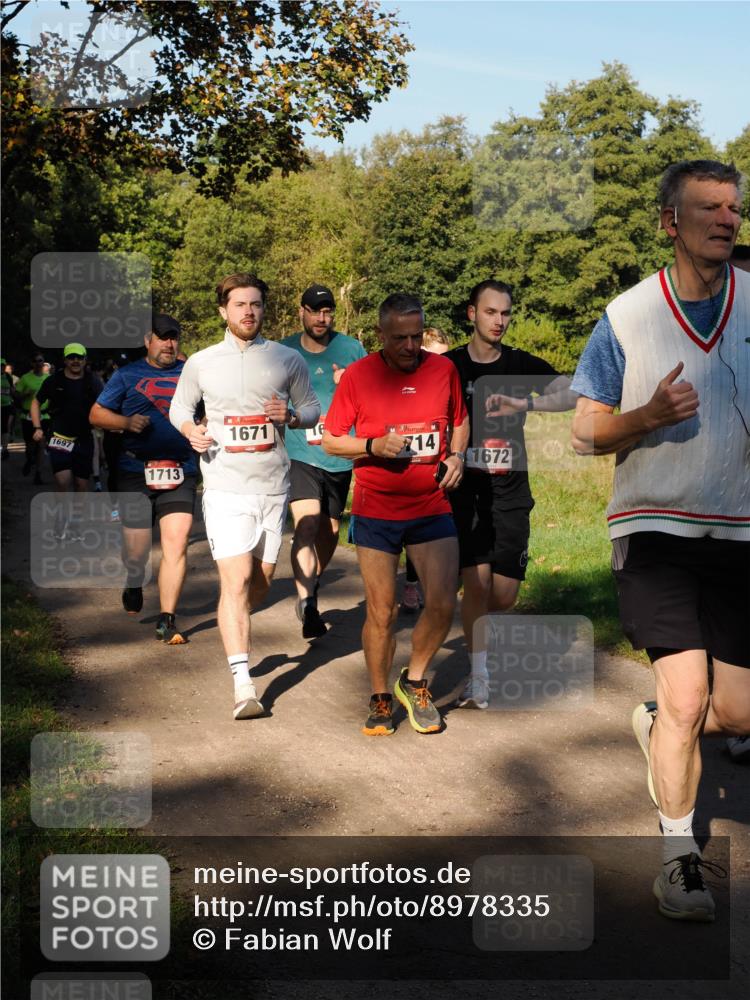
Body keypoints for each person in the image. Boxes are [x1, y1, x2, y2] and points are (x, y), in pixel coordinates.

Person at [571, 160, 749, 922]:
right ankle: (678, 864)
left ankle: (657, 720)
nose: (727, 218)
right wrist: (643, 415)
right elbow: (584, 432)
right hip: (654, 529)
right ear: (669, 222)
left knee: (735, 714)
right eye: (709, 207)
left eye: (735, 208)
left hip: (740, 532)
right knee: (685, 700)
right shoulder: (626, 315)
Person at [169, 273, 320, 719]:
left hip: (273, 488)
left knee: (260, 581)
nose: (248, 312)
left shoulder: (286, 359)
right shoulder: (201, 362)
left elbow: (312, 409)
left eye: (255, 304)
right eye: (240, 305)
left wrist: (291, 415)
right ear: (223, 311)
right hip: (224, 488)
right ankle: (243, 685)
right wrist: (190, 429)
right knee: (233, 583)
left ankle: (241, 628)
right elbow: (180, 407)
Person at [322, 293, 469, 736]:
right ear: (381, 335)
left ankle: (416, 680)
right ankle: (380, 696)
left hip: (430, 504)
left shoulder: (443, 369)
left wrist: (458, 456)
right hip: (376, 508)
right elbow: (331, 440)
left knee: (443, 602)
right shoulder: (360, 376)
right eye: (399, 338)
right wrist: (372, 446)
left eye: (416, 336)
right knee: (382, 612)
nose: (410, 346)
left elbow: (459, 419)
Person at [446, 280, 576, 709]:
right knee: (478, 584)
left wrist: (528, 406)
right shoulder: (449, 367)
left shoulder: (520, 365)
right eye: (490, 312)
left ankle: (476, 622)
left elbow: (573, 390)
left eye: (505, 313)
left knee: (503, 595)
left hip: (512, 492)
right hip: (467, 493)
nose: (499, 321)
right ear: (472, 314)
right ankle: (478, 677)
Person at [90, 315, 197, 644]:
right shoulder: (126, 375)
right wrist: (124, 422)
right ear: (147, 341)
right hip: (136, 471)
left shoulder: (192, 374)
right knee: (136, 550)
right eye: (162, 338)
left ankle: (167, 618)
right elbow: (96, 414)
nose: (169, 343)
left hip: (180, 470)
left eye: (174, 337)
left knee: (176, 543)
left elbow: (210, 410)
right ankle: (134, 578)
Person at [280, 284, 367, 638]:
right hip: (300, 452)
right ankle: (309, 604)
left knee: (330, 532)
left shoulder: (351, 349)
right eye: (315, 311)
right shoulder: (282, 351)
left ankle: (310, 584)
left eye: (327, 311)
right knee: (308, 524)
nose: (321, 317)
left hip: (339, 455)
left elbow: (372, 393)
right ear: (301, 311)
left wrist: (349, 384)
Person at [401, 326, 452, 611]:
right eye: (434, 356)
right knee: (410, 527)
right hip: (405, 466)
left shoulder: (448, 378)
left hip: (441, 463)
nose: (439, 363)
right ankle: (410, 584)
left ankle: (435, 582)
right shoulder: (405, 377)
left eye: (445, 358)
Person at [30, 344, 103, 517]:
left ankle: (75, 521)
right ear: (65, 360)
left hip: (84, 438)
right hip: (59, 436)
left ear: (85, 360)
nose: (75, 361)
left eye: (79, 357)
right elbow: (36, 402)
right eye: (71, 357)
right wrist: (37, 426)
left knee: (81, 484)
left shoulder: (93, 381)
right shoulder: (54, 380)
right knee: (62, 481)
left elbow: (105, 404)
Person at [16, 353, 50, 483]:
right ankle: (29, 460)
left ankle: (38, 473)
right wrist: (26, 394)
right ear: (32, 363)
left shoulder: (48, 378)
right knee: (30, 445)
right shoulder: (25, 378)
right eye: (35, 361)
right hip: (28, 416)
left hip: (44, 415)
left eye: (40, 361)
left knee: (41, 444)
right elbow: (17, 396)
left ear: (43, 362)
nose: (38, 363)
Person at [1, 359, 18, 460]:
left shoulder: (8, 377)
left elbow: (12, 390)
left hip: (7, 406)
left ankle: (5, 449)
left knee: (6, 428)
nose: (1, 367)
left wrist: (15, 397)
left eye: (3, 365)